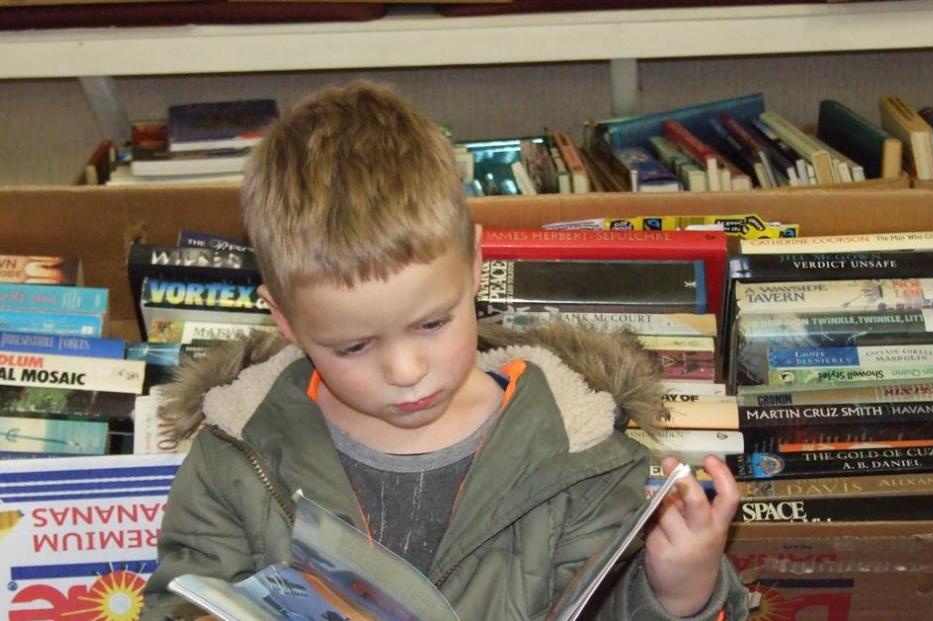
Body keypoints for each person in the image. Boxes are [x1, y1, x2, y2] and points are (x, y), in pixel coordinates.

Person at [142, 80, 748, 620]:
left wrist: (678, 594)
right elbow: (179, 601)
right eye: (353, 345)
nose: (406, 372)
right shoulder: (235, 456)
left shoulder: (579, 451)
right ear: (285, 320)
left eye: (433, 323)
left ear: (476, 265)